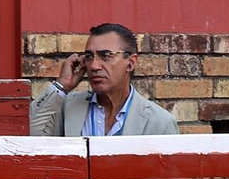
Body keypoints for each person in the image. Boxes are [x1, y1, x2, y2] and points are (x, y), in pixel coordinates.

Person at [31, 22, 179, 136]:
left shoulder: (159, 122)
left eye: (106, 56)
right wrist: (62, 86)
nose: (94, 66)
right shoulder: (68, 107)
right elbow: (27, 134)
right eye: (89, 57)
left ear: (131, 63)